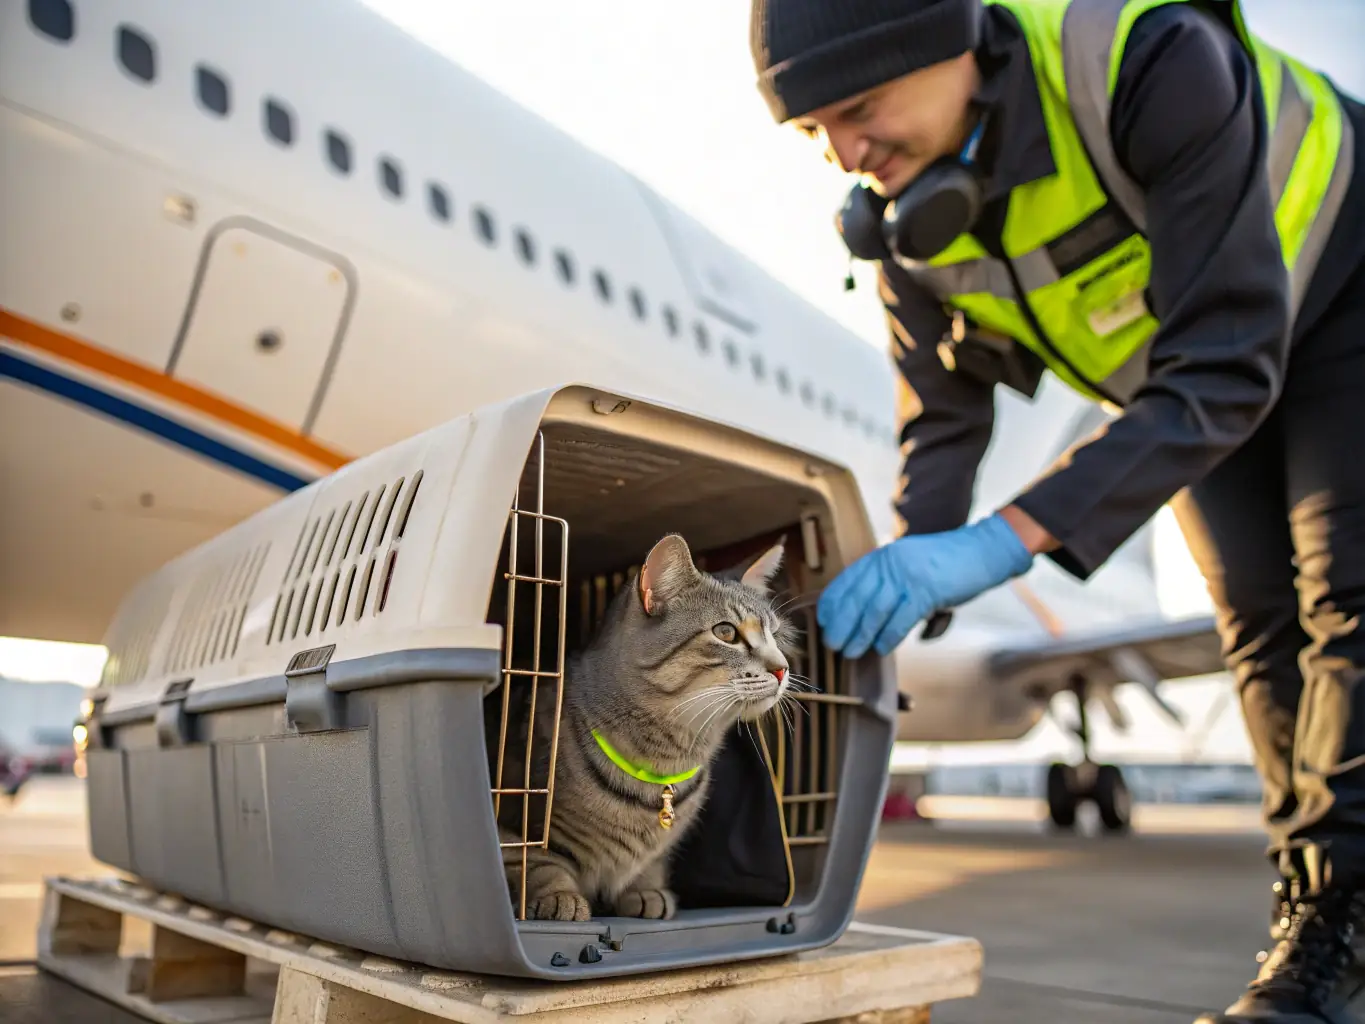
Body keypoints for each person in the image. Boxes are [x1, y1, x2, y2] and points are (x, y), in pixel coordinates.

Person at [748, 0, 1365, 1021]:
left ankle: (1340, 918)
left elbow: (1224, 363)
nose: (845, 153)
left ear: (944, 44)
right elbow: (942, 429)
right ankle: (1318, 925)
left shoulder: (1151, 62)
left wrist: (1003, 543)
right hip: (1188, 378)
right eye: (816, 132)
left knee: (1344, 585)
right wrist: (918, 566)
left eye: (859, 108)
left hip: (1337, 280)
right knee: (1257, 617)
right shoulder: (908, 226)